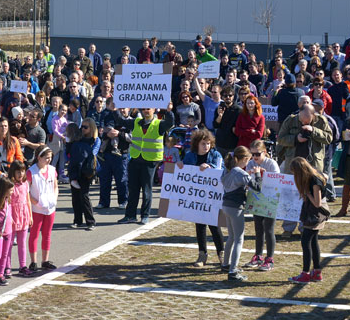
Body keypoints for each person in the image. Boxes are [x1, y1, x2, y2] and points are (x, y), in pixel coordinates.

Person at [112, 107, 174, 225]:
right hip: (135, 159)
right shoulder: (136, 122)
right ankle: (130, 215)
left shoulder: (159, 124)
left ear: (154, 109)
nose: (146, 111)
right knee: (133, 190)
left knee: (146, 191)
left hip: (149, 162)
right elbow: (121, 121)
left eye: (148, 109)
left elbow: (170, 123)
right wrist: (115, 110)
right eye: (144, 109)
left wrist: (168, 111)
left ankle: (145, 216)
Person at [183, 130, 225, 267]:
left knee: (214, 226)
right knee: (200, 225)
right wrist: (196, 168)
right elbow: (183, 171)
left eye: (208, 144)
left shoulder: (216, 155)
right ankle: (202, 254)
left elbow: (222, 170)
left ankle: (222, 253)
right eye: (203, 144)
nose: (206, 146)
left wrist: (210, 167)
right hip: (196, 196)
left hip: (212, 197)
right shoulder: (190, 156)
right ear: (197, 144)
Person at [220, 146, 262, 282]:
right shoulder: (241, 173)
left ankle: (226, 265)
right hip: (236, 207)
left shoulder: (227, 170)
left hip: (226, 206)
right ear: (242, 159)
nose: (248, 162)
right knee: (239, 239)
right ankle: (233, 272)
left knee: (231, 237)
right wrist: (257, 173)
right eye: (248, 160)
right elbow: (257, 187)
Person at [288, 157, 327, 284]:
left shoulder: (314, 181)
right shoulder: (313, 176)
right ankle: (317, 272)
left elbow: (317, 203)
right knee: (313, 242)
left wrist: (307, 193)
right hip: (312, 214)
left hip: (315, 215)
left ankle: (305, 273)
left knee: (306, 242)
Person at [243, 140, 280, 272]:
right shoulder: (251, 163)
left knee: (269, 229)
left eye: (257, 154)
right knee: (258, 229)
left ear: (264, 152)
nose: (255, 157)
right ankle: (258, 255)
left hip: (270, 200)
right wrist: (250, 174)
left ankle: (269, 258)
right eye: (252, 154)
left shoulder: (271, 163)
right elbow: (248, 182)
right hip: (257, 199)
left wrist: (264, 175)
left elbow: (277, 181)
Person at [28, 146, 59, 272]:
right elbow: (26, 191)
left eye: (50, 158)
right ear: (38, 157)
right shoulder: (31, 172)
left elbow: (55, 186)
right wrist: (35, 201)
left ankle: (45, 261)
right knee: (34, 234)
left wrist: (54, 199)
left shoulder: (52, 170)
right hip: (37, 208)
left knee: (47, 234)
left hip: (50, 207)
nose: (49, 160)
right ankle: (33, 262)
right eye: (46, 158)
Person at [97, 103, 130, 210]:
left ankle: (123, 201)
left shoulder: (132, 122)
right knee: (105, 179)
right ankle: (103, 202)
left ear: (128, 109)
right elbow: (100, 133)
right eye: (120, 108)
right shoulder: (109, 117)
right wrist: (107, 135)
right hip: (107, 154)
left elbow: (133, 138)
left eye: (124, 108)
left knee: (121, 179)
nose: (122, 110)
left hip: (121, 154)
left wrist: (119, 134)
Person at [68, 118, 98, 230]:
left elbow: (92, 154)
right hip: (75, 169)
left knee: (84, 196)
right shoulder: (77, 139)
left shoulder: (94, 140)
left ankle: (91, 222)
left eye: (86, 127)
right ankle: (77, 221)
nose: (83, 129)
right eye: (82, 127)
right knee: (75, 197)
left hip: (86, 170)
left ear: (91, 128)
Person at [6, 161, 34, 277]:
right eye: (18, 171)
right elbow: (6, 202)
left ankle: (23, 266)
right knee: (9, 243)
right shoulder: (9, 185)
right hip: (12, 216)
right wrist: (8, 217)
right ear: (13, 172)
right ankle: (7, 266)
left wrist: (30, 215)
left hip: (23, 215)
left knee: (22, 243)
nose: (21, 174)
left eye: (22, 171)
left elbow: (28, 200)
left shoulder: (25, 184)